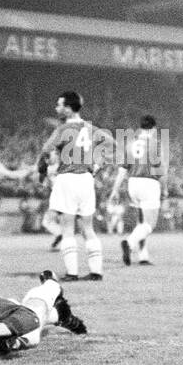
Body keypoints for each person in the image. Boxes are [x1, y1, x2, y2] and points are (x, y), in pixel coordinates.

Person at [36, 91, 114, 281]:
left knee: (68, 227)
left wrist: (42, 171)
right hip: (86, 179)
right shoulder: (90, 128)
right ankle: (96, 272)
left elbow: (45, 151)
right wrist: (97, 164)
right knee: (88, 228)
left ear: (69, 109)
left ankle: (72, 273)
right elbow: (112, 143)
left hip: (68, 178)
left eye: (59, 105)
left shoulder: (63, 129)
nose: (57, 108)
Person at [110, 115, 165, 266]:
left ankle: (143, 256)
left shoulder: (131, 144)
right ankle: (129, 243)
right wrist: (165, 191)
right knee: (149, 224)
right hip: (149, 183)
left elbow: (122, 169)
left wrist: (115, 190)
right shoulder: (156, 144)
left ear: (140, 128)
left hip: (132, 184)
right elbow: (161, 171)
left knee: (141, 222)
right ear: (154, 128)